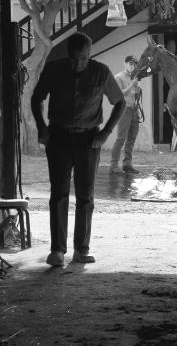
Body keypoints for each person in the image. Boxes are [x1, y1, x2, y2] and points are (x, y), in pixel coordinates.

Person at [31, 32, 126, 267]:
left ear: (89, 54)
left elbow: (120, 103)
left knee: (85, 196)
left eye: (83, 58)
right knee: (59, 195)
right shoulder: (54, 70)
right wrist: (42, 126)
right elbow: (36, 98)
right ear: (67, 55)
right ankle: (57, 251)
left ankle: (81, 249)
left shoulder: (101, 72)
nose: (78, 64)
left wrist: (105, 134)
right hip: (58, 138)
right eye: (73, 59)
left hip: (89, 140)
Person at [110, 55, 142, 174]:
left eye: (134, 64)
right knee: (121, 138)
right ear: (125, 63)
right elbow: (119, 94)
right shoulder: (118, 77)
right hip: (124, 110)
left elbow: (134, 95)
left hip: (134, 109)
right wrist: (132, 86)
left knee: (131, 138)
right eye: (130, 64)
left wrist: (137, 92)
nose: (132, 66)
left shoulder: (134, 78)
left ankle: (127, 164)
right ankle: (113, 165)